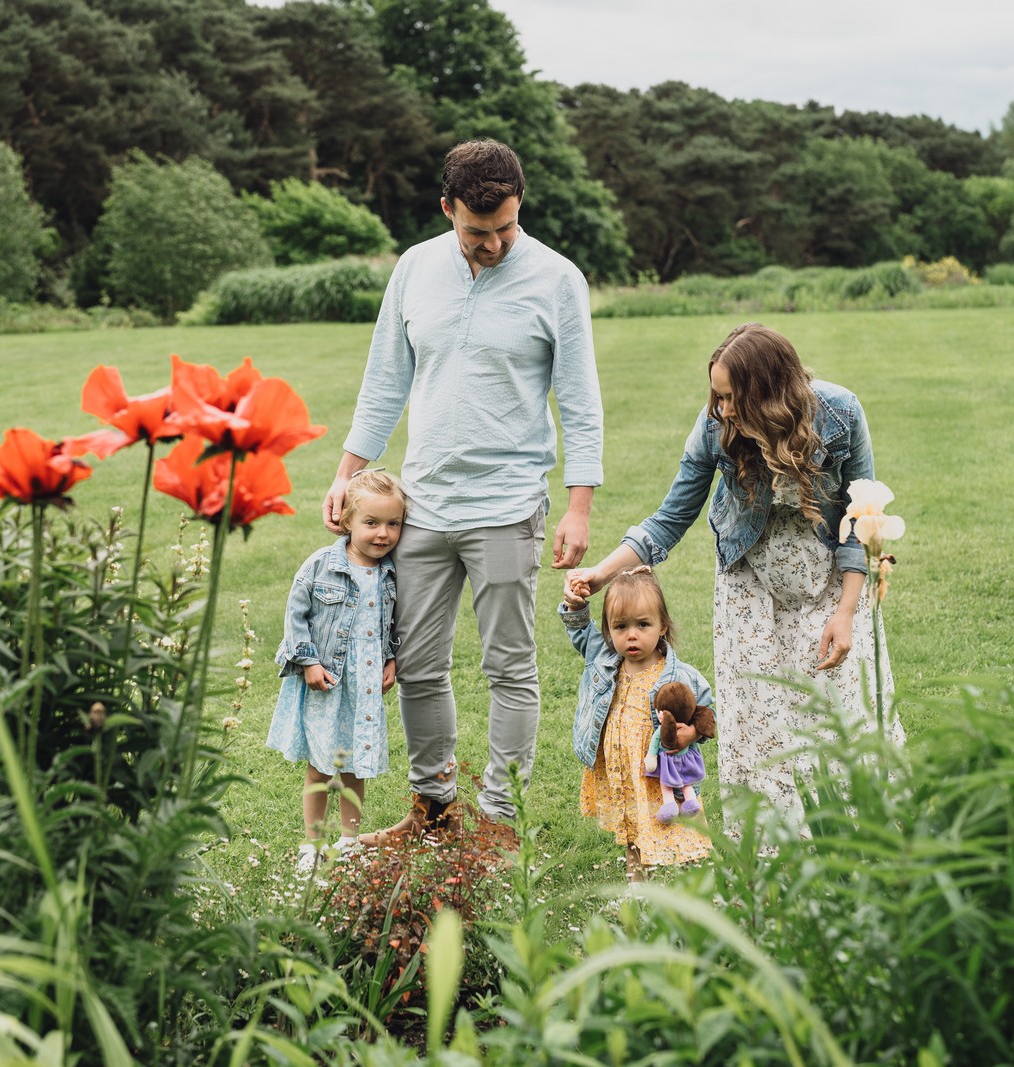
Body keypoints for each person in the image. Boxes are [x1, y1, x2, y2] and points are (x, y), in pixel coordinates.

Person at [322, 138, 604, 839]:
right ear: (446, 208)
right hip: (422, 504)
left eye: (506, 227)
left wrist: (578, 505)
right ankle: (437, 809)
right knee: (417, 665)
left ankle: (500, 820)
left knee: (508, 665)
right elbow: (385, 380)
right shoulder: (416, 268)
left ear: (519, 207)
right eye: (478, 232)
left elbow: (580, 398)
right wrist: (346, 471)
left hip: (508, 505)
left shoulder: (558, 279)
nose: (495, 244)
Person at [566, 322, 903, 836]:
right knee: (759, 723)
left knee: (842, 713)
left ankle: (859, 838)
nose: (721, 410)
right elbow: (669, 518)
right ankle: (775, 851)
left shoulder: (840, 415)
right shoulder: (715, 428)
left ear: (769, 393)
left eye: (731, 398)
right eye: (716, 396)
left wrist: (845, 612)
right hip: (750, 584)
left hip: (828, 582)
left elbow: (859, 521)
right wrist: (601, 574)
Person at [270, 470, 408, 873]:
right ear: (347, 520)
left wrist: (391, 659)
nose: (383, 534)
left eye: (393, 524)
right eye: (371, 523)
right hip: (327, 682)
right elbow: (295, 615)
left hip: (364, 685)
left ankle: (349, 841)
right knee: (320, 764)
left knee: (354, 765)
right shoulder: (321, 566)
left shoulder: (392, 572)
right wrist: (308, 661)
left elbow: (395, 623)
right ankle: (312, 844)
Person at [561, 566, 713, 880]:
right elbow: (580, 632)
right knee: (632, 826)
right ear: (608, 631)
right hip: (623, 768)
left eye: (643, 624)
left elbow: (706, 705)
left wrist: (693, 732)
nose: (631, 634)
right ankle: (637, 885)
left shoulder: (676, 674)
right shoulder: (604, 659)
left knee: (674, 827)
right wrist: (576, 606)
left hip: (658, 774)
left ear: (662, 626)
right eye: (620, 627)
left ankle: (694, 881)